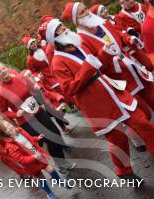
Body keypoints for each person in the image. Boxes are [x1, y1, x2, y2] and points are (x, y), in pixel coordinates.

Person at [41, 16, 154, 181]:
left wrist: (104, 54)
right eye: (58, 30)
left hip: (113, 92)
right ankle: (124, 172)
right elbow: (69, 89)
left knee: (142, 122)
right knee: (118, 140)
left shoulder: (78, 45)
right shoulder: (57, 62)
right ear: (54, 38)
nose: (64, 29)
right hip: (97, 104)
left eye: (62, 26)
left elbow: (97, 63)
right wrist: (88, 67)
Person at [64, 1, 153, 151]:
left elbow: (119, 33)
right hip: (119, 81)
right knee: (143, 114)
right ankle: (140, 140)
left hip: (134, 69)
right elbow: (94, 65)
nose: (86, 12)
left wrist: (127, 39)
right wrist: (105, 55)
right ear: (75, 20)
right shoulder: (81, 41)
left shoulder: (102, 23)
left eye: (85, 9)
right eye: (81, 12)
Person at [0, 63, 76, 173]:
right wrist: (15, 114)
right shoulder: (1, 93)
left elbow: (35, 89)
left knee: (55, 132)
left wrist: (37, 88)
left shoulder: (20, 78)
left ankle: (59, 160)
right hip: (26, 121)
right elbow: (3, 112)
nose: (3, 71)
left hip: (38, 111)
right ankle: (61, 164)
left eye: (3, 68)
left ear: (7, 68)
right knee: (48, 139)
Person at [0, 120, 70, 199]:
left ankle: (60, 182)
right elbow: (22, 160)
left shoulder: (20, 131)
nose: (9, 127)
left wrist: (37, 138)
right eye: (6, 129)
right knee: (41, 178)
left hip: (38, 156)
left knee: (51, 169)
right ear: (4, 133)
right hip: (30, 164)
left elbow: (30, 139)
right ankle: (49, 193)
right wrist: (34, 157)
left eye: (8, 125)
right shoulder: (10, 147)